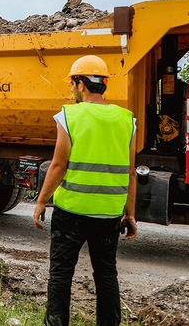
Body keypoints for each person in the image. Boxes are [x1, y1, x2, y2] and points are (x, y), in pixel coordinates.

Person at [33, 55, 138, 326]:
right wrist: (130, 214)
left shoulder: (68, 115)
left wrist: (41, 201)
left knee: (60, 274)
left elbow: (58, 166)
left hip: (71, 211)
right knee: (106, 274)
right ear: (103, 83)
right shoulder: (127, 119)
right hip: (109, 212)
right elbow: (129, 172)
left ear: (81, 84)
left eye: (72, 84)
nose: (71, 90)